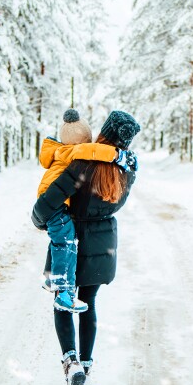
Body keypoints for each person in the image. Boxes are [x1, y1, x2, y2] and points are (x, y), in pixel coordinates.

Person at [32, 110, 140, 385]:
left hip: (71, 241)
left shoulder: (81, 164)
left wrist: (40, 220)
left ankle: (71, 363)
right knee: (89, 303)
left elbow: (45, 205)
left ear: (104, 132)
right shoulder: (127, 168)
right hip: (102, 244)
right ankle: (88, 366)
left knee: (63, 302)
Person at [35, 109, 132, 313]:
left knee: (63, 242)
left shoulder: (63, 152)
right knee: (65, 242)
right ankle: (62, 290)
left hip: (54, 205)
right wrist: (118, 155)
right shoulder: (75, 153)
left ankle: (56, 283)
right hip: (62, 211)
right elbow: (95, 151)